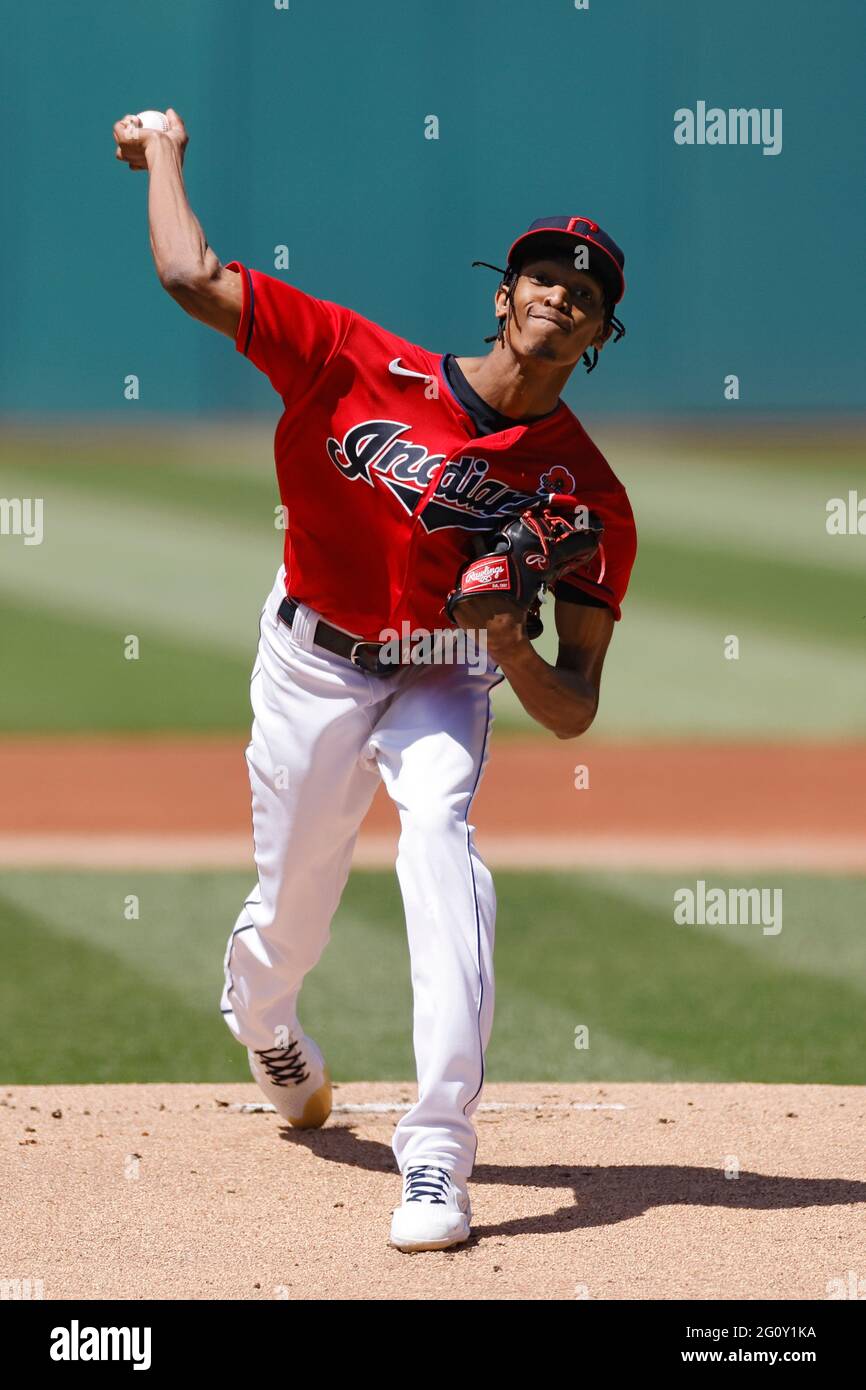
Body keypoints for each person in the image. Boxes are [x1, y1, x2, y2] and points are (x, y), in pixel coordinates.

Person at [113, 108, 637, 1252]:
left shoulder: (587, 499)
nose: (559, 294)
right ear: (501, 296)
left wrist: (504, 644)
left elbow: (574, 706)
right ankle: (262, 1015)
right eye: (541, 275)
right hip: (310, 659)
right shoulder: (352, 357)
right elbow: (187, 272)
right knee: (288, 914)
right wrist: (162, 152)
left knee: (439, 848)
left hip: (446, 674)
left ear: (597, 334)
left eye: (584, 292)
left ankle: (438, 1151)